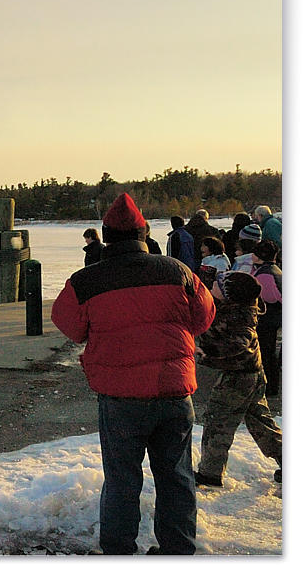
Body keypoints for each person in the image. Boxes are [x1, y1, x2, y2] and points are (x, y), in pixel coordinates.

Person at [51, 193, 215, 555]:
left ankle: (119, 550)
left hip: (121, 397)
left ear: (107, 236)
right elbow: (203, 318)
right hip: (175, 392)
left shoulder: (86, 281)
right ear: (144, 233)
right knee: (177, 476)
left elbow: (70, 327)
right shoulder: (178, 272)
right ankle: (178, 548)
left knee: (122, 479)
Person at [194, 271, 282, 486]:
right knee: (260, 421)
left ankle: (210, 473)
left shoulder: (239, 317)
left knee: (218, 421)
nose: (213, 285)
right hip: (252, 373)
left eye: (218, 284)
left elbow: (238, 343)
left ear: (230, 295)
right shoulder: (237, 309)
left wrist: (206, 352)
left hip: (238, 378)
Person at [250, 240, 282, 396]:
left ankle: (269, 387)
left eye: (254, 253)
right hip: (273, 318)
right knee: (269, 352)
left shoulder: (264, 274)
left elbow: (269, 297)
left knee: (266, 353)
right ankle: (270, 386)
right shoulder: (273, 269)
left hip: (267, 318)